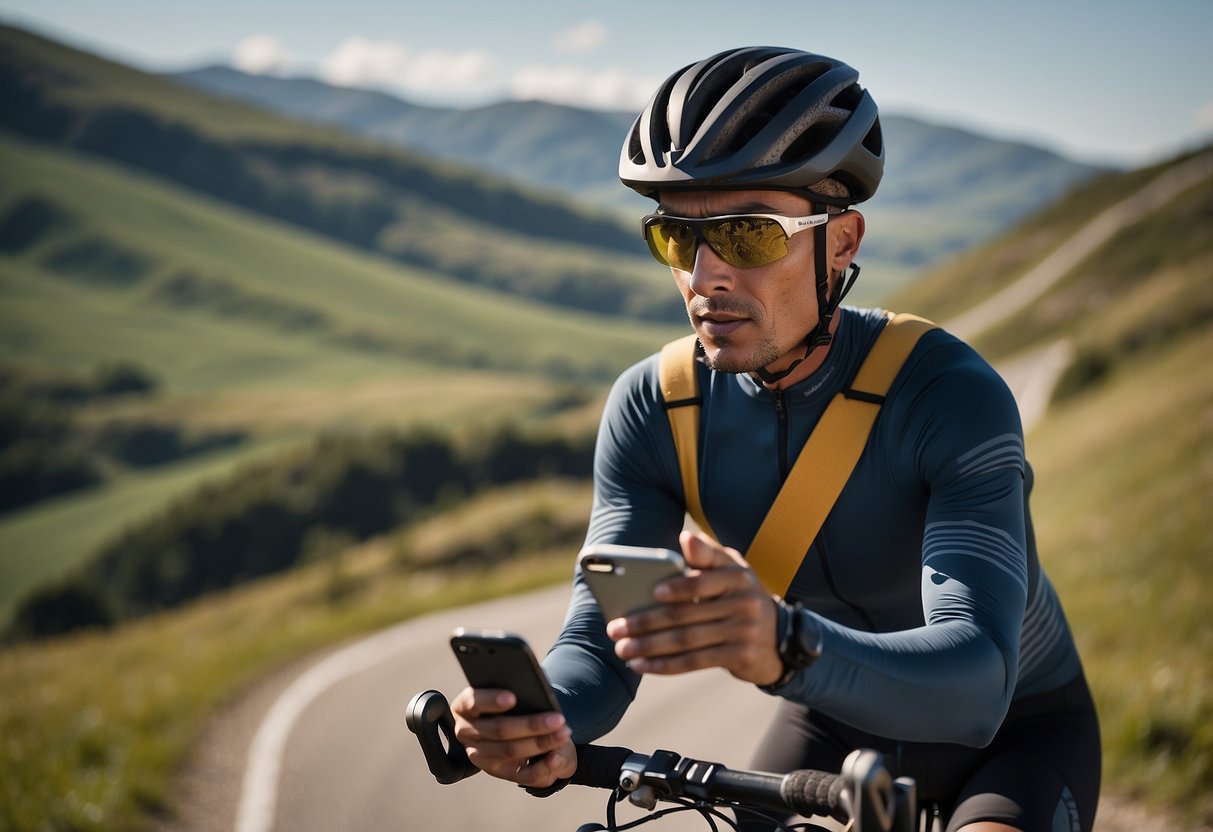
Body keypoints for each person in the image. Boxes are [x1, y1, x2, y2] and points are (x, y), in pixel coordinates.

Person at [451, 46, 1101, 832]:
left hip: (1016, 737)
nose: (705, 276)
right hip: (829, 729)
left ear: (843, 241)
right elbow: (599, 646)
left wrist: (782, 645)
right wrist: (544, 718)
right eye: (675, 239)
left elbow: (978, 684)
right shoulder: (656, 409)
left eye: (749, 237)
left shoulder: (945, 394)